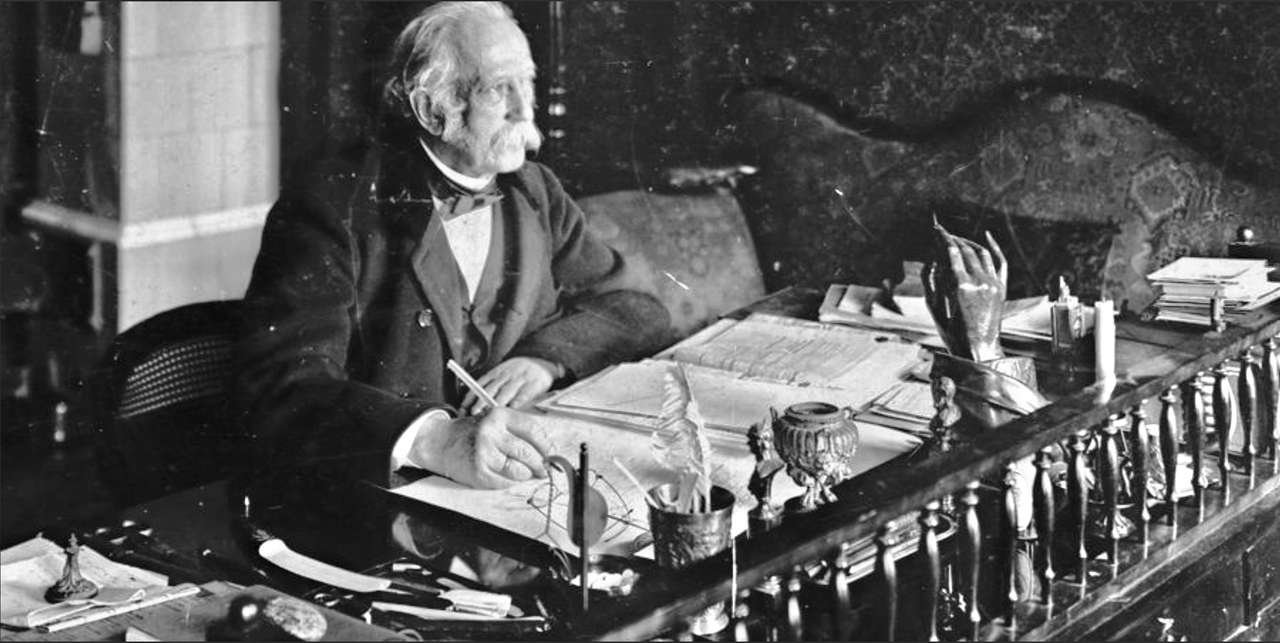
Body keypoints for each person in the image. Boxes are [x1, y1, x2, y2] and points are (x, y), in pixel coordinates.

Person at [234, 2, 670, 489]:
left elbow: (636, 307)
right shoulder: (334, 203)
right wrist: (433, 439)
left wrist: (545, 360)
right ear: (431, 109)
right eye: (497, 89)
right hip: (381, 491)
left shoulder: (536, 190)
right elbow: (281, 385)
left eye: (526, 83)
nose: (524, 110)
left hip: (512, 485)